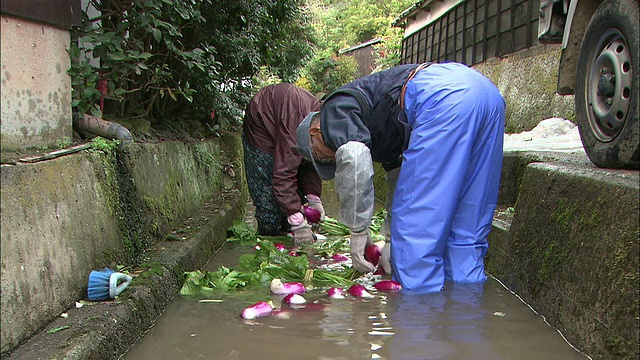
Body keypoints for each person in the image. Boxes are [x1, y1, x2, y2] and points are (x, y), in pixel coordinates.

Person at [296, 62, 505, 292]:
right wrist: (389, 240)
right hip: (486, 96)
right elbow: (401, 182)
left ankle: (416, 320)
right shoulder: (378, 128)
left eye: (321, 156)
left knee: (416, 238)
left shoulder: (332, 112)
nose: (331, 160)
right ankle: (466, 311)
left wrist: (357, 231)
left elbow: (354, 159)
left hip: (440, 98)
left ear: (314, 132)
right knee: (465, 230)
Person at [242, 83, 326, 244]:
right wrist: (297, 221)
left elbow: (310, 163)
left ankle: (289, 229)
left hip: (286, 125)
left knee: (296, 198)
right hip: (262, 129)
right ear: (315, 130)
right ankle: (269, 239)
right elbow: (283, 173)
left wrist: (313, 197)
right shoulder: (297, 125)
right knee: (268, 203)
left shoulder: (324, 126)